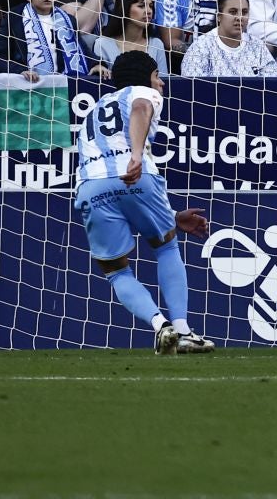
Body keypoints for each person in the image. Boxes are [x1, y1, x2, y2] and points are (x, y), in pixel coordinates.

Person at [71, 51, 212, 354]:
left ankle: (161, 326)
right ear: (144, 76)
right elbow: (140, 108)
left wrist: (172, 214)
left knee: (116, 271)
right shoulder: (142, 92)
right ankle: (184, 331)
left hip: (92, 187)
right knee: (167, 247)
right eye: (157, 76)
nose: (161, 83)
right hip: (137, 177)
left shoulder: (92, 111)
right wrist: (136, 154)